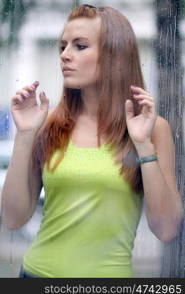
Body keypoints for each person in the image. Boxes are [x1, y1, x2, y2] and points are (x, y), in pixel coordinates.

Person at [1, 4, 183, 278]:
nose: (65, 55)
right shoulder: (47, 123)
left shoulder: (153, 129)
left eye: (80, 46)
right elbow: (13, 219)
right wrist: (25, 136)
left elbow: (167, 229)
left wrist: (144, 145)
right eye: (63, 46)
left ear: (114, 56)